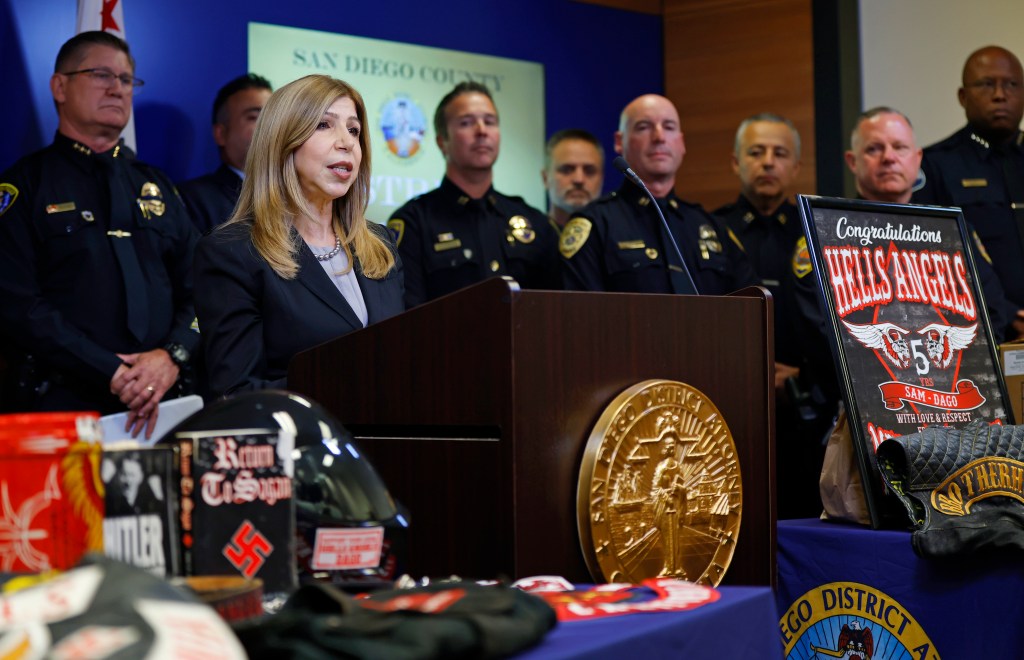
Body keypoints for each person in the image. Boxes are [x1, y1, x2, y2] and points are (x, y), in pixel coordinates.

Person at [0, 31, 198, 438]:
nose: (117, 88)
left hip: (165, 404)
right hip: (62, 407)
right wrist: (109, 369)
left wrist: (172, 354)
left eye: (126, 80)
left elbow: (206, 289)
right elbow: (16, 304)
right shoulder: (25, 185)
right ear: (59, 86)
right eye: (101, 74)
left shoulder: (159, 186)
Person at [193, 74, 404, 397]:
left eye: (354, 130)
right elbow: (237, 393)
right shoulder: (233, 252)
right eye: (324, 125)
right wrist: (352, 384)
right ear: (282, 141)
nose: (346, 142)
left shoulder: (381, 247)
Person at [561, 93, 758, 295]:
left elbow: (751, 311)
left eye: (669, 127)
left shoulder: (713, 227)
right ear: (620, 141)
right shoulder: (595, 225)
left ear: (681, 143)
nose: (659, 137)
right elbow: (583, 317)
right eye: (644, 127)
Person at [386, 82, 560, 308]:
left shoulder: (534, 221)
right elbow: (406, 316)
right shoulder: (414, 222)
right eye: (466, 123)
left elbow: (556, 310)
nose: (482, 131)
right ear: (442, 142)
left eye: (490, 121)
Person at [913, 46, 1024, 336]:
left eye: (1012, 84)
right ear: (963, 97)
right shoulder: (935, 165)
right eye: (987, 84)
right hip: (985, 330)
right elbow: (932, 260)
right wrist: (1007, 312)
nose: (1000, 94)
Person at [179, 74, 273, 235]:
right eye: (255, 118)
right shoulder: (192, 199)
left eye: (273, 117)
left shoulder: (298, 196)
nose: (269, 127)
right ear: (220, 134)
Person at [541, 129, 604, 232]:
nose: (579, 179)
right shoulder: (530, 241)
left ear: (601, 179)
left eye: (589, 171)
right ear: (545, 178)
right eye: (566, 170)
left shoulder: (618, 234)